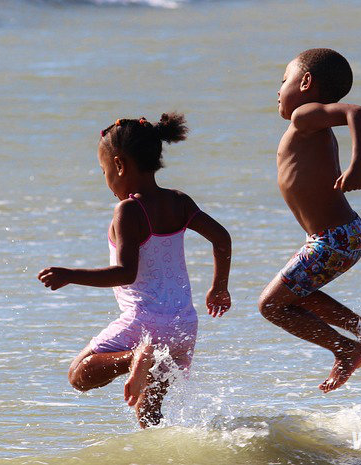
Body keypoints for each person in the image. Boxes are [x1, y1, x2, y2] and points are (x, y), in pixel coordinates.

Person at [38, 113, 232, 427]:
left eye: (103, 171)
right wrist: (219, 287)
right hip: (183, 323)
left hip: (145, 322)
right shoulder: (179, 201)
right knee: (149, 414)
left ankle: (136, 357)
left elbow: (126, 273)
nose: (106, 179)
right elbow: (222, 238)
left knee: (78, 374)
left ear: (119, 165)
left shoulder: (129, 209)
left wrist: (70, 274)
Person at [258, 48, 361, 393]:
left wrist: (357, 165)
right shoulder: (310, 122)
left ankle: (348, 347)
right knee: (294, 295)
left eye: (284, 80)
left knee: (271, 305)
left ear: (305, 82)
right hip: (339, 235)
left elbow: (357, 112)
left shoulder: (304, 115)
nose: (278, 90)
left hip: (333, 238)